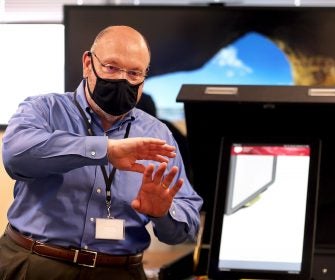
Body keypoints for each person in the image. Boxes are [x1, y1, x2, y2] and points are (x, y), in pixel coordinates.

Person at [0, 25, 203, 280]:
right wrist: (103, 150)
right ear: (88, 64)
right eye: (111, 67)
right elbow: (16, 155)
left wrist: (163, 213)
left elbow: (187, 229)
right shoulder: (44, 109)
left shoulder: (158, 135)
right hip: (34, 262)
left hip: (119, 272)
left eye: (134, 73)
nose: (122, 80)